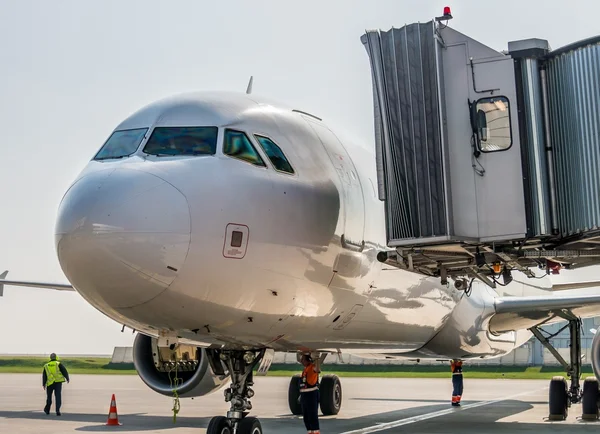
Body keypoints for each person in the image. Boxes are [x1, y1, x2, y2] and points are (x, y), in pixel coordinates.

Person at [299, 354, 320, 434]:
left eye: (303, 359)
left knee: (312, 416)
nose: (301, 361)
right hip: (305, 395)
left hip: (311, 395)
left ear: (308, 360)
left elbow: (317, 369)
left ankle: (316, 432)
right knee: (306, 417)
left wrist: (317, 358)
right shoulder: (305, 369)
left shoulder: (312, 367)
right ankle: (310, 432)